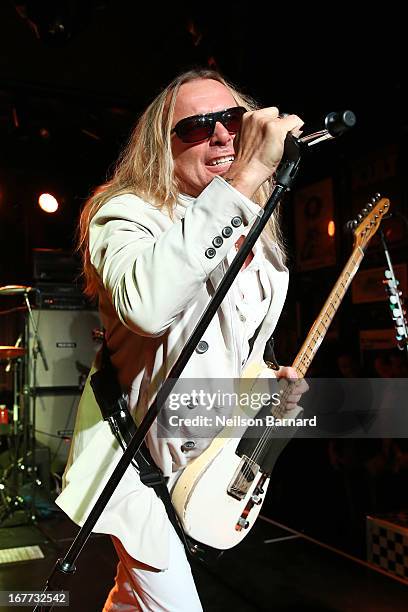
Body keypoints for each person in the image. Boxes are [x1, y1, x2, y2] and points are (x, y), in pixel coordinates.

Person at [55, 67, 306, 611]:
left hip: (206, 462)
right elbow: (148, 306)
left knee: (131, 599)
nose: (221, 137)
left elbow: (236, 344)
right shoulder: (124, 214)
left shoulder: (252, 223)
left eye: (232, 121)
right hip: (138, 466)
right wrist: (241, 183)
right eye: (196, 127)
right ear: (160, 148)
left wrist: (266, 382)